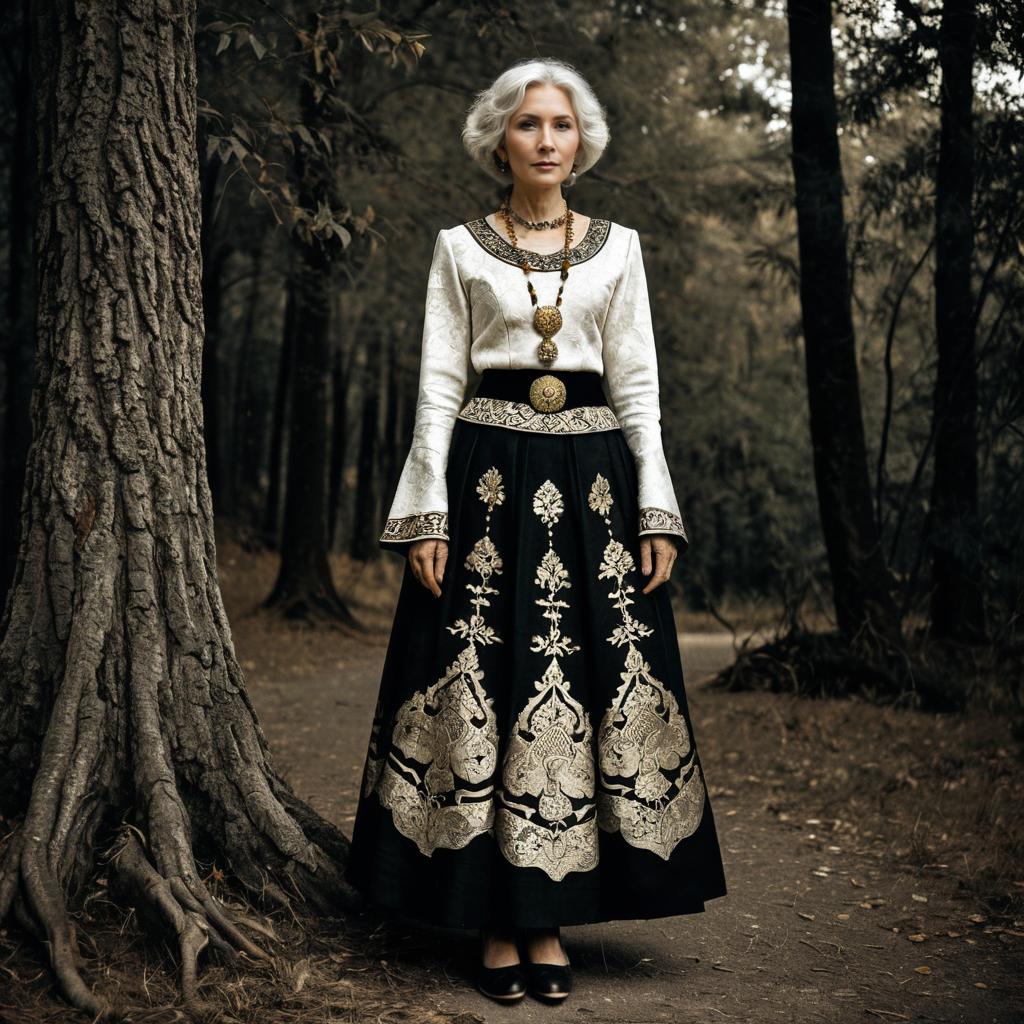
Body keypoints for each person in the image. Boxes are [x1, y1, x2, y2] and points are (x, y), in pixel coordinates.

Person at [345, 57, 728, 1004]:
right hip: (486, 484)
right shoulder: (458, 247)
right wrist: (425, 512)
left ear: (582, 141)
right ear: (498, 140)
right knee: (489, 669)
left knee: (578, 677)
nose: (546, 140)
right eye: (528, 125)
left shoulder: (620, 248)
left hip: (593, 485)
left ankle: (546, 917)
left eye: (561, 125)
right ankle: (486, 914)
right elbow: (440, 384)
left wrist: (657, 509)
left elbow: (637, 385)